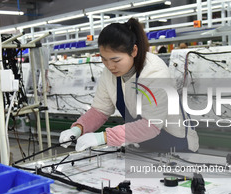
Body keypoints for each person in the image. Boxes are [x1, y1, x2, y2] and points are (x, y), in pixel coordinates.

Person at [59, 18, 199, 153]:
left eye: (116, 60)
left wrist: (103, 137)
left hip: (176, 145)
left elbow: (150, 126)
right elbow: (100, 110)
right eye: (104, 59)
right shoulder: (110, 73)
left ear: (134, 51)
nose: (110, 66)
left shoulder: (155, 71)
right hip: (145, 147)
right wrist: (78, 128)